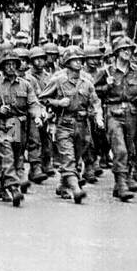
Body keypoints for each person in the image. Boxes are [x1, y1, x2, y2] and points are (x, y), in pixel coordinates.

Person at [39, 48, 103, 204]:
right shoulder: (58, 81)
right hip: (64, 124)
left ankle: (63, 185)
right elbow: (42, 99)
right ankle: (76, 189)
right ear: (67, 63)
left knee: (76, 157)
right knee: (68, 158)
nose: (79, 62)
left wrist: (98, 117)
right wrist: (58, 103)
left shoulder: (87, 82)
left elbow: (95, 102)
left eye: (81, 59)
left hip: (82, 125)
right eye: (75, 60)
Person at [0, 50, 39, 207]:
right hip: (4, 124)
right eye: (7, 65)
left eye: (14, 64)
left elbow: (32, 103)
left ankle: (3, 187)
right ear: (2, 67)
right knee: (7, 157)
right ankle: (14, 188)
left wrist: (37, 115)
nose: (11, 67)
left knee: (17, 157)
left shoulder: (25, 85)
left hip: (21, 125)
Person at [94, 37, 137, 202]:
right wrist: (106, 86)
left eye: (130, 49)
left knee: (131, 149)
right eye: (124, 49)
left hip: (133, 113)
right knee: (120, 149)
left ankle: (125, 178)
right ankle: (121, 182)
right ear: (116, 52)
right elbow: (93, 93)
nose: (128, 52)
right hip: (113, 113)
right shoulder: (106, 72)